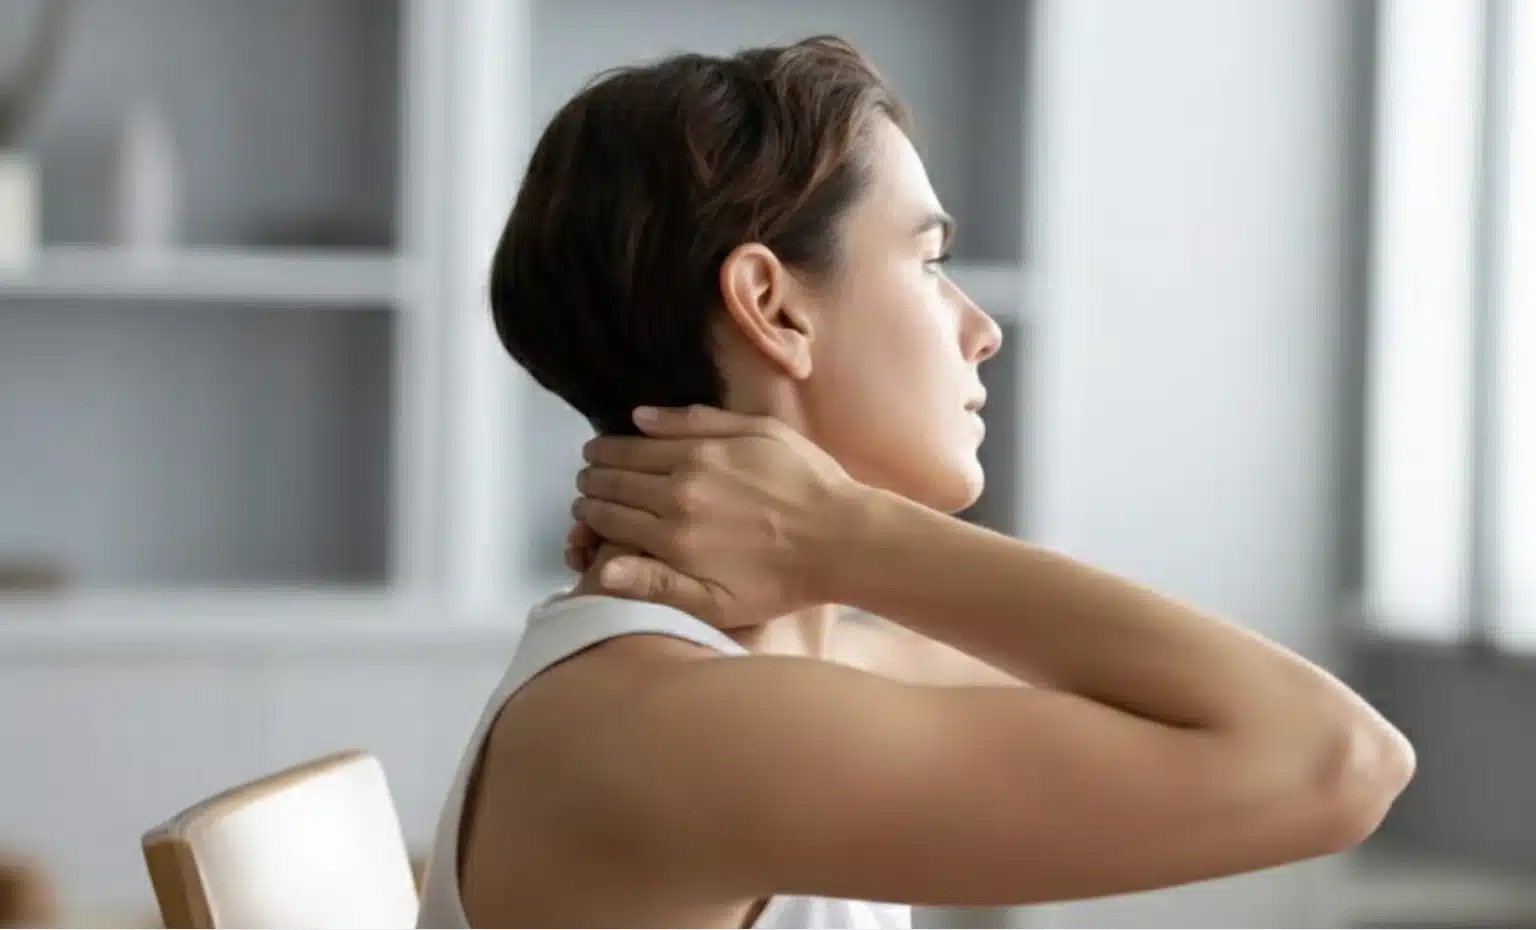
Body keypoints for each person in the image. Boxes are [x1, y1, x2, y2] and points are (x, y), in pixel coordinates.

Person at [417, 35, 1415, 930]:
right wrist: (843, 536)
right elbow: (1337, 760)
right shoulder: (674, 726)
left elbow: (1216, 713)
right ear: (773, 306)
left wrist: (834, 545)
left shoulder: (793, 671)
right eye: (929, 262)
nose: (980, 330)